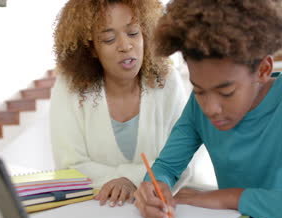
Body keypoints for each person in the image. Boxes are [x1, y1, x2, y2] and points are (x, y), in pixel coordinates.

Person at [134, 0, 282, 218]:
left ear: (263, 70)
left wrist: (230, 198)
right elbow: (166, 168)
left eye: (226, 92)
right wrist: (154, 187)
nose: (210, 107)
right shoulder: (197, 107)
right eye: (199, 90)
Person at [50, 0, 189, 207]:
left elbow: (183, 163)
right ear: (92, 49)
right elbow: (69, 168)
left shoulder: (167, 82)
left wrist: (127, 180)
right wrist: (131, 178)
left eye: (133, 33)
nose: (125, 46)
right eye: (108, 39)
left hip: (156, 212)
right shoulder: (70, 88)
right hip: (92, 214)